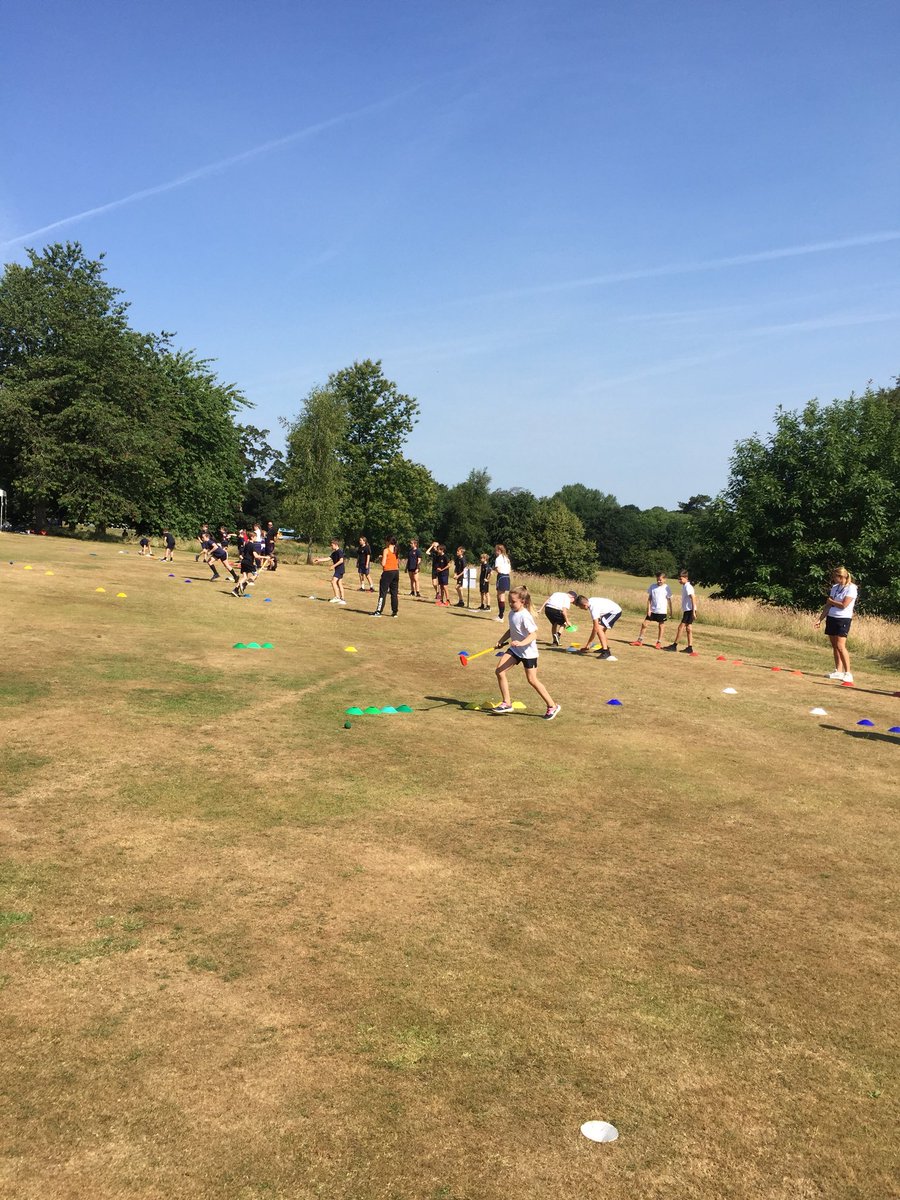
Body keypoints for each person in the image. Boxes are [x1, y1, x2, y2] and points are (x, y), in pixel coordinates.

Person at [492, 586, 560, 720]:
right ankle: (507, 703)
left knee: (532, 680)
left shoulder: (525, 616)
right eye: (509, 601)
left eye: (513, 601)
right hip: (515, 650)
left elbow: (533, 634)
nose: (510, 604)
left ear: (522, 601)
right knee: (499, 671)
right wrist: (501, 641)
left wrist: (521, 643)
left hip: (528, 653)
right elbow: (511, 630)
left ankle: (552, 706)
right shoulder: (511, 613)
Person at [815, 566, 858, 684]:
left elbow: (844, 605)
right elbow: (828, 605)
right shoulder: (835, 587)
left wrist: (831, 601)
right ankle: (838, 670)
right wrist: (820, 619)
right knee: (834, 646)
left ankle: (848, 673)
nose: (833, 579)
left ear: (841, 577)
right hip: (831, 618)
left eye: (835, 577)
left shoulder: (852, 588)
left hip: (843, 619)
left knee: (840, 646)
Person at [631, 572, 672, 647]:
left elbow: (669, 600)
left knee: (661, 626)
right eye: (657, 580)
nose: (659, 581)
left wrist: (671, 611)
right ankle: (639, 641)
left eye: (660, 580)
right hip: (652, 610)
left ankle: (659, 642)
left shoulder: (667, 588)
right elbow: (649, 599)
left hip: (661, 611)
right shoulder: (652, 586)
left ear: (664, 579)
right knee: (644, 624)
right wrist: (648, 609)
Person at [667, 569, 698, 653]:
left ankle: (674, 646)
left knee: (681, 627)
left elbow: (693, 598)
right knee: (688, 628)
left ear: (686, 578)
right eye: (679, 579)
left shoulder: (688, 587)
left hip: (689, 610)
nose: (679, 580)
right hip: (688, 610)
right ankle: (690, 647)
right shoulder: (685, 586)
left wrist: (693, 611)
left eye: (681, 579)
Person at [373, 536, 400, 617]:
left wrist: (380, 558)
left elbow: (383, 563)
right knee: (394, 593)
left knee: (383, 593)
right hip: (396, 572)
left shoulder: (386, 550)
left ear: (388, 542)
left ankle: (378, 611)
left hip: (388, 572)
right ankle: (394, 612)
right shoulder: (396, 550)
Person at [493, 544, 511, 623]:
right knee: (500, 595)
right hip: (507, 576)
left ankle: (501, 616)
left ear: (499, 551)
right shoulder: (507, 558)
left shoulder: (498, 558)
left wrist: (495, 571)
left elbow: (497, 569)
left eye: (496, 550)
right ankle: (500, 615)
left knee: (501, 596)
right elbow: (510, 569)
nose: (495, 552)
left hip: (501, 576)